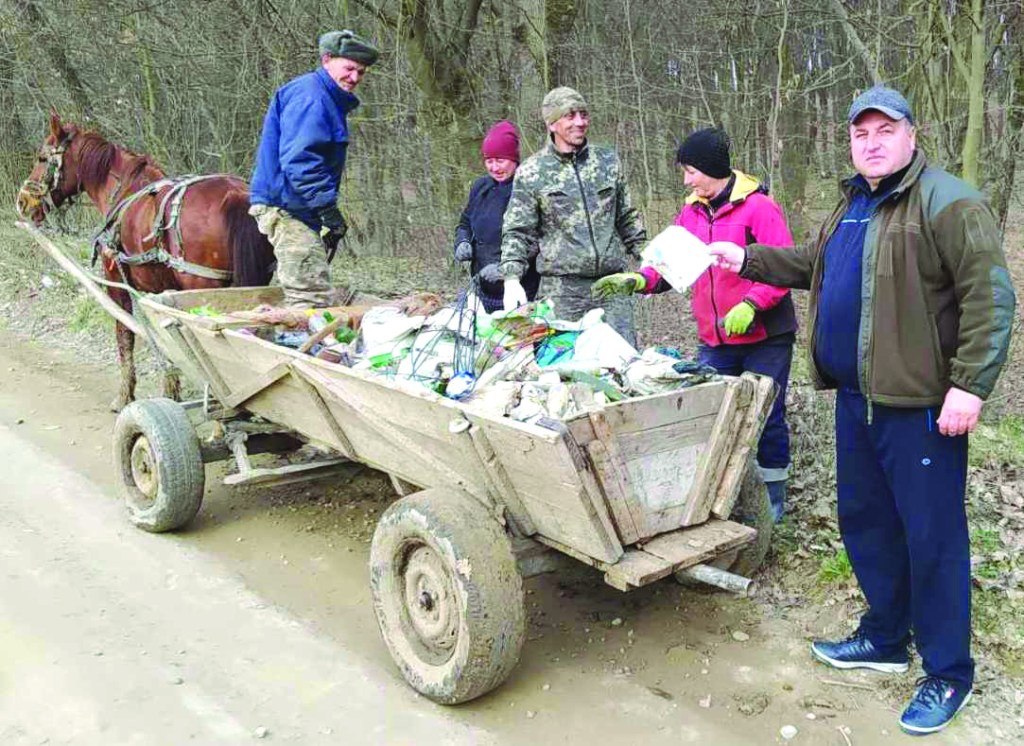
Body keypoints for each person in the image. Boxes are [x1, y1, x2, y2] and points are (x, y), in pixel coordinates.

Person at [709, 85, 1016, 736]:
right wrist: (745, 257)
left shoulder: (949, 202)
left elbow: (990, 298)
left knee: (932, 538)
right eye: (860, 133)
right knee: (868, 524)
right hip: (855, 402)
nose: (871, 143)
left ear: (912, 134)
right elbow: (812, 266)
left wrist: (970, 385)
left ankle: (947, 672)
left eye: (884, 131)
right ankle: (883, 638)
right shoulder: (852, 205)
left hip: (922, 409)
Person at [593, 128, 797, 521]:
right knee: (712, 417)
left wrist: (753, 304)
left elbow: (783, 266)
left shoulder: (759, 209)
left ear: (711, 168)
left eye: (690, 171)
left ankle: (773, 505)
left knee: (765, 416)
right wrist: (642, 280)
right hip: (715, 339)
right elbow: (675, 263)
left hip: (764, 337)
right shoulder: (692, 211)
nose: (686, 180)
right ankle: (723, 498)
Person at [498, 86, 647, 344]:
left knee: (622, 365)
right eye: (570, 116)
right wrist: (511, 277)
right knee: (564, 369)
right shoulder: (533, 172)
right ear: (552, 123)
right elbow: (518, 230)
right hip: (562, 292)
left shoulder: (607, 162)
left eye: (583, 115)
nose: (580, 122)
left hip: (612, 286)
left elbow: (626, 217)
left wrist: (647, 255)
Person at [249, 30, 379, 307]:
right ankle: (303, 349)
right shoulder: (313, 98)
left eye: (361, 72)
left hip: (296, 205)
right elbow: (300, 160)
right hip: (286, 206)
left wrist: (323, 213)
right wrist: (327, 209)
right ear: (327, 59)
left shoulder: (323, 97)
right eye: (349, 68)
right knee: (310, 295)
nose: (354, 78)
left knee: (309, 288)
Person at [453, 121, 540, 313]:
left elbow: (536, 239)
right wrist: (462, 241)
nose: (494, 167)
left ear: (514, 159)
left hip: (520, 288)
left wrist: (504, 269)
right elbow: (465, 222)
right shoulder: (480, 187)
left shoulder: (527, 188)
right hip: (481, 288)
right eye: (489, 161)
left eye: (500, 160)